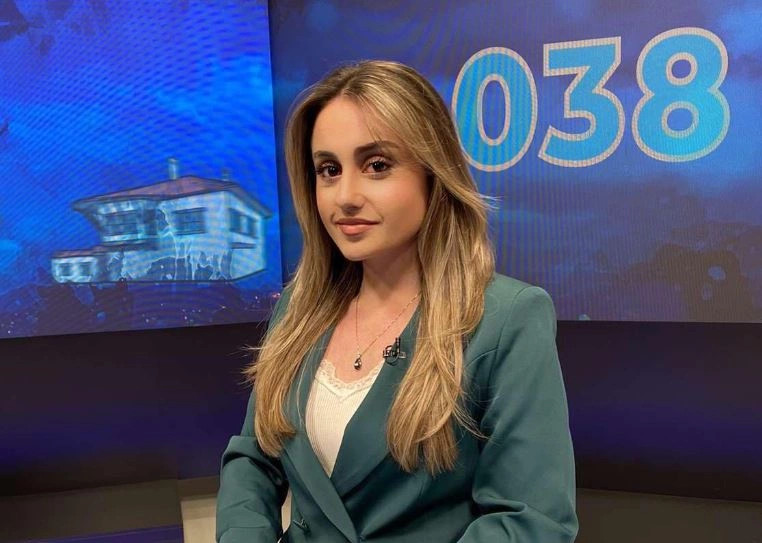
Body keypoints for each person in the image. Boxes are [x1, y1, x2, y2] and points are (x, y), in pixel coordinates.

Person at [216, 60, 578, 543]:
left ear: (433, 172)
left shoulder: (508, 318)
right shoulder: (298, 308)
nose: (345, 196)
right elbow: (255, 458)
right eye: (328, 170)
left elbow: (530, 520)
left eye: (377, 166)